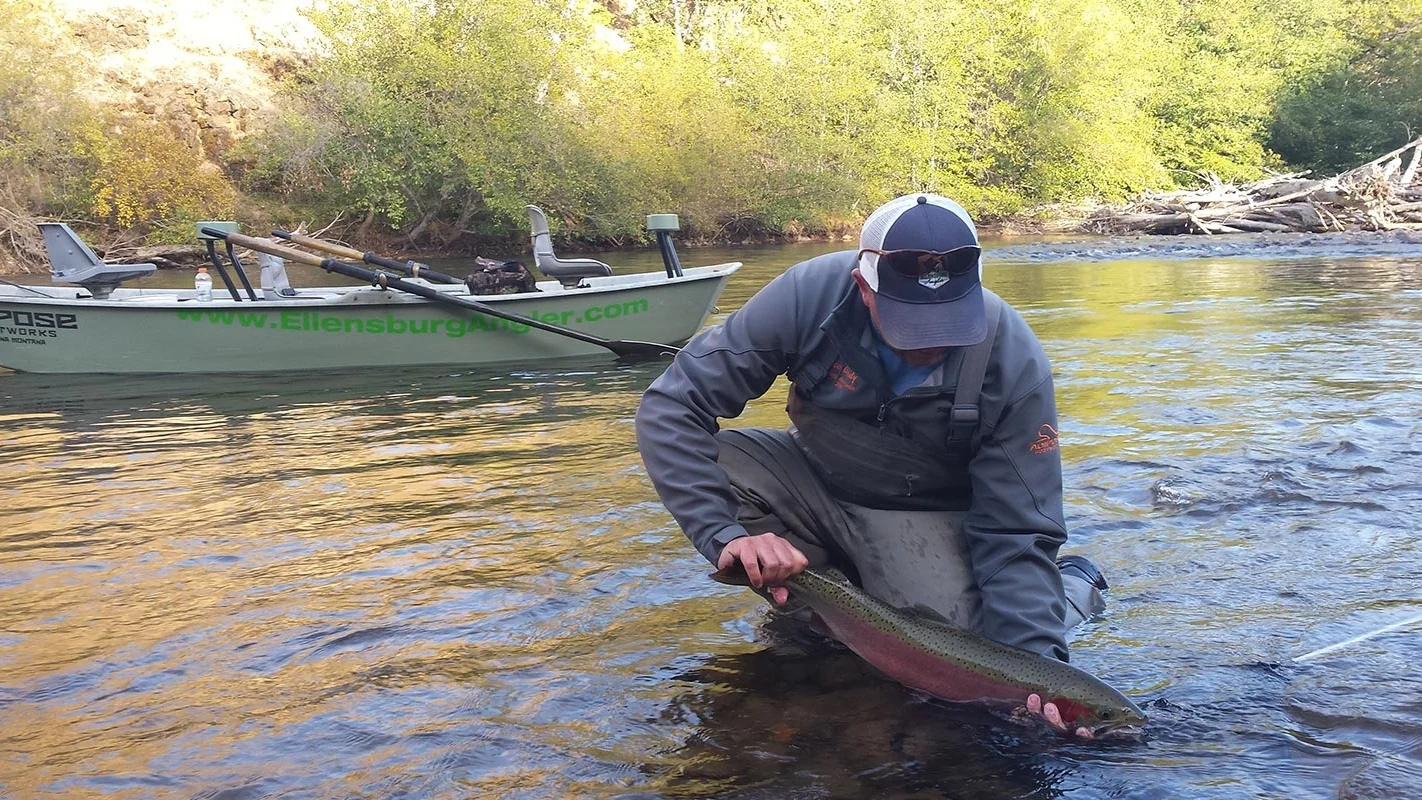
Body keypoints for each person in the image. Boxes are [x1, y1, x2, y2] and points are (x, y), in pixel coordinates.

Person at [635, 193, 1109, 737]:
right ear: (864, 285)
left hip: (929, 515)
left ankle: (1076, 585)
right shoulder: (808, 296)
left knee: (960, 663)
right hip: (817, 484)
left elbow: (1016, 531)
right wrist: (722, 535)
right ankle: (817, 606)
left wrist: (1037, 676)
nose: (930, 342)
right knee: (722, 464)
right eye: (913, 323)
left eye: (948, 321)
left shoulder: (1013, 362)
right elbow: (673, 405)